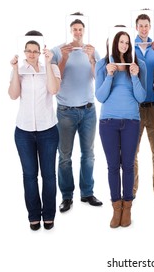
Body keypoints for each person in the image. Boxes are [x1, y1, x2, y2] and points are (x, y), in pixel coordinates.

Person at [9, 30, 61, 230]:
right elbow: (13, 95)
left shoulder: (52, 68)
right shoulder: (20, 70)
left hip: (48, 130)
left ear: (41, 51)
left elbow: (54, 90)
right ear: (24, 52)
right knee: (29, 175)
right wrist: (14, 70)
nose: (31, 54)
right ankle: (33, 215)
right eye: (28, 51)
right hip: (23, 131)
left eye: (35, 50)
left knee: (48, 175)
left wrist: (47, 64)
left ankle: (48, 214)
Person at [51, 12, 102, 213]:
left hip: (88, 110)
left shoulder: (92, 50)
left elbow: (99, 78)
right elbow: (57, 79)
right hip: (65, 112)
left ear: (84, 31)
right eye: (75, 29)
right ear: (70, 31)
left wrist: (91, 58)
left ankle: (87, 192)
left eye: (80, 29)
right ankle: (66, 196)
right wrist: (64, 57)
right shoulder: (58, 50)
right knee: (64, 155)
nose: (78, 32)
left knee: (88, 154)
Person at [95, 30, 147, 228]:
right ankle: (116, 208)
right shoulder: (103, 65)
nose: (124, 46)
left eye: (127, 42)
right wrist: (109, 75)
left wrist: (134, 76)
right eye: (121, 42)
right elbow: (100, 97)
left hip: (131, 122)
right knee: (112, 166)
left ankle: (128, 207)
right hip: (108, 122)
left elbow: (141, 97)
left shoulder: (138, 65)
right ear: (115, 43)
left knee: (128, 165)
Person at [133, 12, 154, 207]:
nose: (144, 29)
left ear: (150, 27)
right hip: (135, 107)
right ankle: (131, 189)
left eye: (147, 25)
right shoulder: (130, 47)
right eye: (141, 25)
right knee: (132, 151)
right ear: (136, 27)